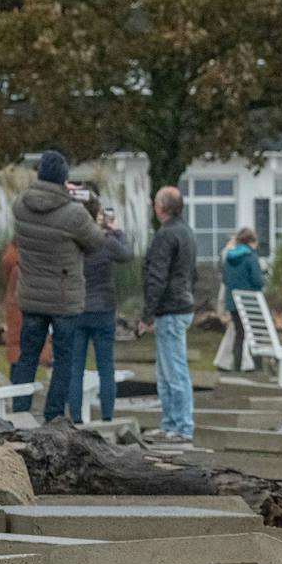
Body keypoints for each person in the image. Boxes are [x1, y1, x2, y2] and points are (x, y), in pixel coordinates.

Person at [10, 150, 102, 421]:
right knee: (64, 360)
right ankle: (53, 416)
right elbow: (96, 242)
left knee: (28, 358)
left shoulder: (20, 206)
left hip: (31, 296)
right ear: (64, 179)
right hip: (64, 299)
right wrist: (89, 201)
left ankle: (20, 415)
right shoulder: (74, 214)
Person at [69, 188, 131, 422]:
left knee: (76, 367)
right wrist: (118, 232)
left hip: (77, 308)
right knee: (106, 366)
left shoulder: (70, 240)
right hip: (103, 307)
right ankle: (107, 417)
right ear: (97, 213)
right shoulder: (105, 240)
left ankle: (75, 418)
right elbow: (126, 254)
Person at [142, 184, 198, 440]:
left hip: (170, 308)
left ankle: (181, 425)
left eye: (155, 202)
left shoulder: (166, 235)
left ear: (162, 208)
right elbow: (191, 273)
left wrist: (147, 314)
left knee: (172, 370)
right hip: (182, 303)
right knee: (168, 368)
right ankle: (171, 423)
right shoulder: (186, 231)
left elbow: (157, 276)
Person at [221, 227, 265, 372]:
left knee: (239, 335)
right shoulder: (251, 257)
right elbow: (257, 281)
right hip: (250, 302)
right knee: (257, 335)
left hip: (233, 303)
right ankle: (258, 368)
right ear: (252, 242)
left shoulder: (229, 257)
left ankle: (237, 367)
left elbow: (226, 279)